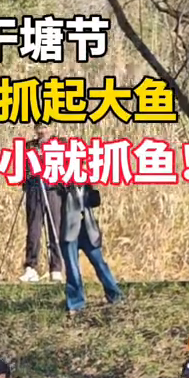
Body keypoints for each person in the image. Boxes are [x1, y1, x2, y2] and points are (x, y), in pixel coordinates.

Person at [56, 182, 122, 314]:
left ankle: (115, 295)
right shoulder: (63, 185)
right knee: (73, 269)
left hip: (88, 229)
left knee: (100, 263)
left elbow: (95, 201)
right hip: (69, 230)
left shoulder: (87, 186)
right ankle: (76, 303)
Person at [20, 125, 63, 282]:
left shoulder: (60, 144)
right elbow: (23, 169)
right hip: (34, 190)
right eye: (38, 128)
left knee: (55, 229)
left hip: (53, 191)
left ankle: (56, 268)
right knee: (34, 230)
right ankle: (31, 267)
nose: (41, 131)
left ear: (51, 128)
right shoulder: (30, 146)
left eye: (44, 127)